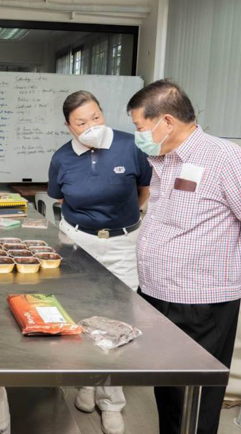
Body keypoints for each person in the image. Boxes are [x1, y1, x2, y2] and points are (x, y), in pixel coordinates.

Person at [126, 79, 241, 434]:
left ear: (166, 121)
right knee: (168, 387)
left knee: (196, 396)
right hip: (158, 294)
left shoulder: (226, 159)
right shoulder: (164, 157)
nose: (138, 135)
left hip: (199, 301)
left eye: (140, 127)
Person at [47, 90, 152, 434]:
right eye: (81, 122)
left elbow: (144, 188)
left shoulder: (130, 145)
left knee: (118, 320)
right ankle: (86, 382)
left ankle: (112, 402)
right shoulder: (62, 158)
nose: (91, 126)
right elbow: (60, 196)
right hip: (77, 241)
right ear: (68, 126)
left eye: (96, 117)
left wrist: (125, 219)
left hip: (122, 242)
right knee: (79, 314)